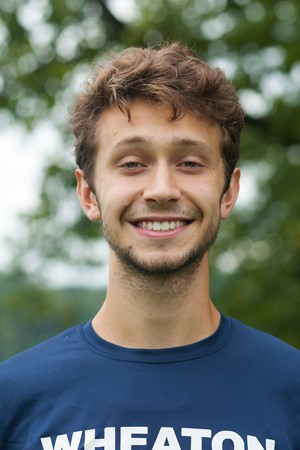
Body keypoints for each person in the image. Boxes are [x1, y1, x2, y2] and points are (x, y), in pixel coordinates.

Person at [0, 42, 299, 450]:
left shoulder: (291, 389)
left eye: (190, 163)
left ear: (228, 192)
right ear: (88, 194)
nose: (161, 190)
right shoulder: (13, 398)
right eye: (132, 164)